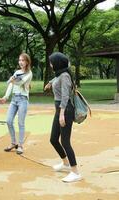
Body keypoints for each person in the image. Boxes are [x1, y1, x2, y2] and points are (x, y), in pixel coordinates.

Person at [44, 52, 82, 183]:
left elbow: (65, 96)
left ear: (57, 63)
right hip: (59, 110)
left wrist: (61, 114)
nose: (50, 64)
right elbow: (56, 79)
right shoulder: (60, 74)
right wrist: (50, 82)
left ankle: (75, 172)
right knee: (53, 139)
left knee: (65, 142)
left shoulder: (65, 76)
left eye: (51, 62)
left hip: (65, 110)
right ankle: (65, 163)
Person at [1, 53, 33, 155]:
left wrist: (12, 80)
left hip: (23, 99)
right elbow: (10, 84)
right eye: (19, 60)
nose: (21, 62)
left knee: (21, 123)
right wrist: (6, 96)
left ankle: (20, 145)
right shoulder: (17, 72)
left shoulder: (29, 73)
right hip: (14, 99)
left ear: (27, 62)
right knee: (9, 121)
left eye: (23, 60)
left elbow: (20, 83)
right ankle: (13, 142)